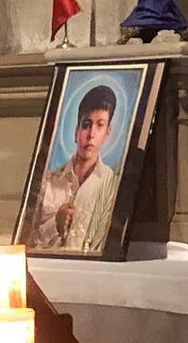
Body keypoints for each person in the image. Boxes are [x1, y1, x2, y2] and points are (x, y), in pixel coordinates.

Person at [30, 84, 123, 253]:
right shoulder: (49, 181)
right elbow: (31, 239)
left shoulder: (112, 185)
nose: (91, 134)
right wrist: (56, 223)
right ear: (76, 131)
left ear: (107, 133)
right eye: (86, 125)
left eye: (99, 125)